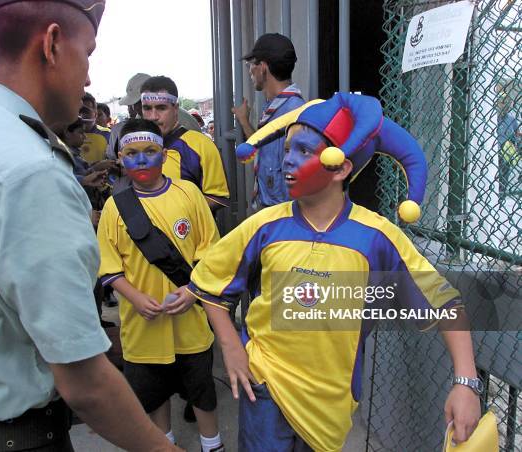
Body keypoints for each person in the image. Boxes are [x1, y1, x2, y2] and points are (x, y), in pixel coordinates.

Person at [0, 1, 180, 450]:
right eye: (88, 54)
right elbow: (86, 385)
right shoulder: (29, 171)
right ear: (52, 44)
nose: (89, 77)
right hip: (16, 438)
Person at [189, 93, 482, 451]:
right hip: (264, 387)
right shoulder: (264, 226)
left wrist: (466, 383)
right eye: (286, 152)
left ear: (341, 167)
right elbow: (210, 283)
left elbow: (446, 304)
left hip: (331, 403)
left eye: (304, 152)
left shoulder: (377, 237)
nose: (287, 163)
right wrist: (231, 346)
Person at [97, 118, 225, 452]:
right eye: (132, 153)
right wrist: (135, 297)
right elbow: (108, 265)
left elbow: (210, 251)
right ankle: (163, 443)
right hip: (142, 327)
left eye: (150, 151)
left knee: (201, 391)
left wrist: (192, 290)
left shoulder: (190, 194)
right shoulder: (115, 206)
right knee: (153, 395)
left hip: (191, 323)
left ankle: (212, 444)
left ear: (164, 154)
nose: (141, 160)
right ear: (121, 159)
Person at [232, 33, 305, 208]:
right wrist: (244, 121)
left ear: (263, 68)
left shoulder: (294, 113)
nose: (249, 70)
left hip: (283, 217)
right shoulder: (276, 108)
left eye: (251, 64)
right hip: (272, 212)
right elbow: (263, 149)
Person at [141, 76, 230, 211]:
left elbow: (217, 197)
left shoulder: (201, 145)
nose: (153, 116)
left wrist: (172, 212)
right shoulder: (135, 146)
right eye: (147, 108)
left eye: (161, 108)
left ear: (175, 109)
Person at [106, 72, 202, 160]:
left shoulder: (187, 124)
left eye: (161, 107)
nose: (134, 108)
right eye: (146, 107)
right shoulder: (140, 118)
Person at [79, 92, 111, 163]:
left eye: (86, 111)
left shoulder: (108, 134)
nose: (81, 116)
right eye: (79, 111)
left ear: (95, 113)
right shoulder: (66, 135)